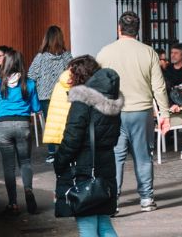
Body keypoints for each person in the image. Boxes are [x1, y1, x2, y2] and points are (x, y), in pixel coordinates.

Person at [97, 10, 170, 213]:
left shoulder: (105, 52)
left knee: (115, 155)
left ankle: (113, 200)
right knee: (143, 155)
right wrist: (165, 114)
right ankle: (146, 198)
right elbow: (159, 87)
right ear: (137, 30)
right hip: (141, 111)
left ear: (119, 29)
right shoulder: (148, 52)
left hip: (113, 111)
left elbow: (99, 85)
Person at [53, 56, 125, 237]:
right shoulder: (111, 100)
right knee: (103, 222)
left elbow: (72, 138)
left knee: (87, 225)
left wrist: (59, 162)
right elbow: (114, 136)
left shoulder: (82, 101)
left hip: (84, 168)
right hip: (105, 165)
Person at [0, 49, 43, 213]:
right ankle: (28, 190)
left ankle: (13, 203)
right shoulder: (29, 83)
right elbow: (36, 107)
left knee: (8, 167)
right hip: (23, 125)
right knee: (25, 162)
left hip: (3, 127)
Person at [30, 25, 72, 157]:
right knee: (64, 121)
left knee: (50, 123)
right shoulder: (67, 56)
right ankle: (65, 150)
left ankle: (52, 152)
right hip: (63, 95)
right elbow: (73, 73)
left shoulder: (40, 57)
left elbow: (31, 76)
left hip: (45, 96)